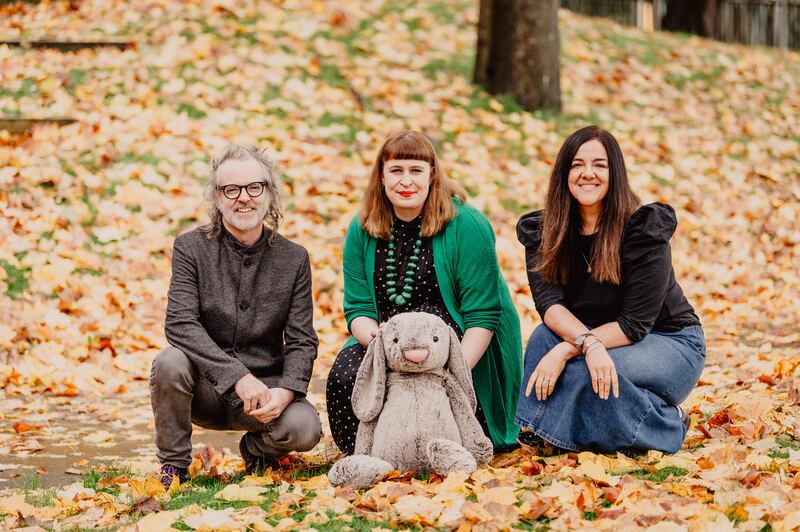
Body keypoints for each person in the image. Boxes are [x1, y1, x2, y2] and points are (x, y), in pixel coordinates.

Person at [326, 130, 522, 455]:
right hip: (388, 341)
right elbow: (358, 310)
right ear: (381, 177)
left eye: (416, 170)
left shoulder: (466, 225)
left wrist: (449, 371)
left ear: (432, 175)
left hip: (457, 344)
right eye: (396, 170)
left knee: (438, 401)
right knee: (345, 379)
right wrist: (386, 354)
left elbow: (483, 317)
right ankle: (373, 454)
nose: (407, 181)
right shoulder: (362, 228)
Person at [515, 125, 705, 454]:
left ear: (614, 173)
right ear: (564, 174)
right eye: (577, 165)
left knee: (576, 369)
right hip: (596, 340)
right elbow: (549, 306)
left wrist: (573, 348)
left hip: (668, 343)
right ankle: (555, 428)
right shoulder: (546, 232)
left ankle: (664, 422)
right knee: (543, 338)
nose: (588, 174)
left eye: (599, 165)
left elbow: (636, 323)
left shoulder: (643, 229)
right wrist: (585, 342)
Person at [150, 145, 322, 487]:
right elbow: (179, 323)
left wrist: (286, 393)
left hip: (267, 394)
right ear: (217, 198)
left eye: (254, 187)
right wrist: (237, 377)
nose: (244, 198)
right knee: (169, 362)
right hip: (205, 389)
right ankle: (174, 467)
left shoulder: (294, 258)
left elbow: (302, 340)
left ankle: (257, 449)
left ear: (269, 194)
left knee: (305, 429)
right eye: (231, 189)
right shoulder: (190, 248)